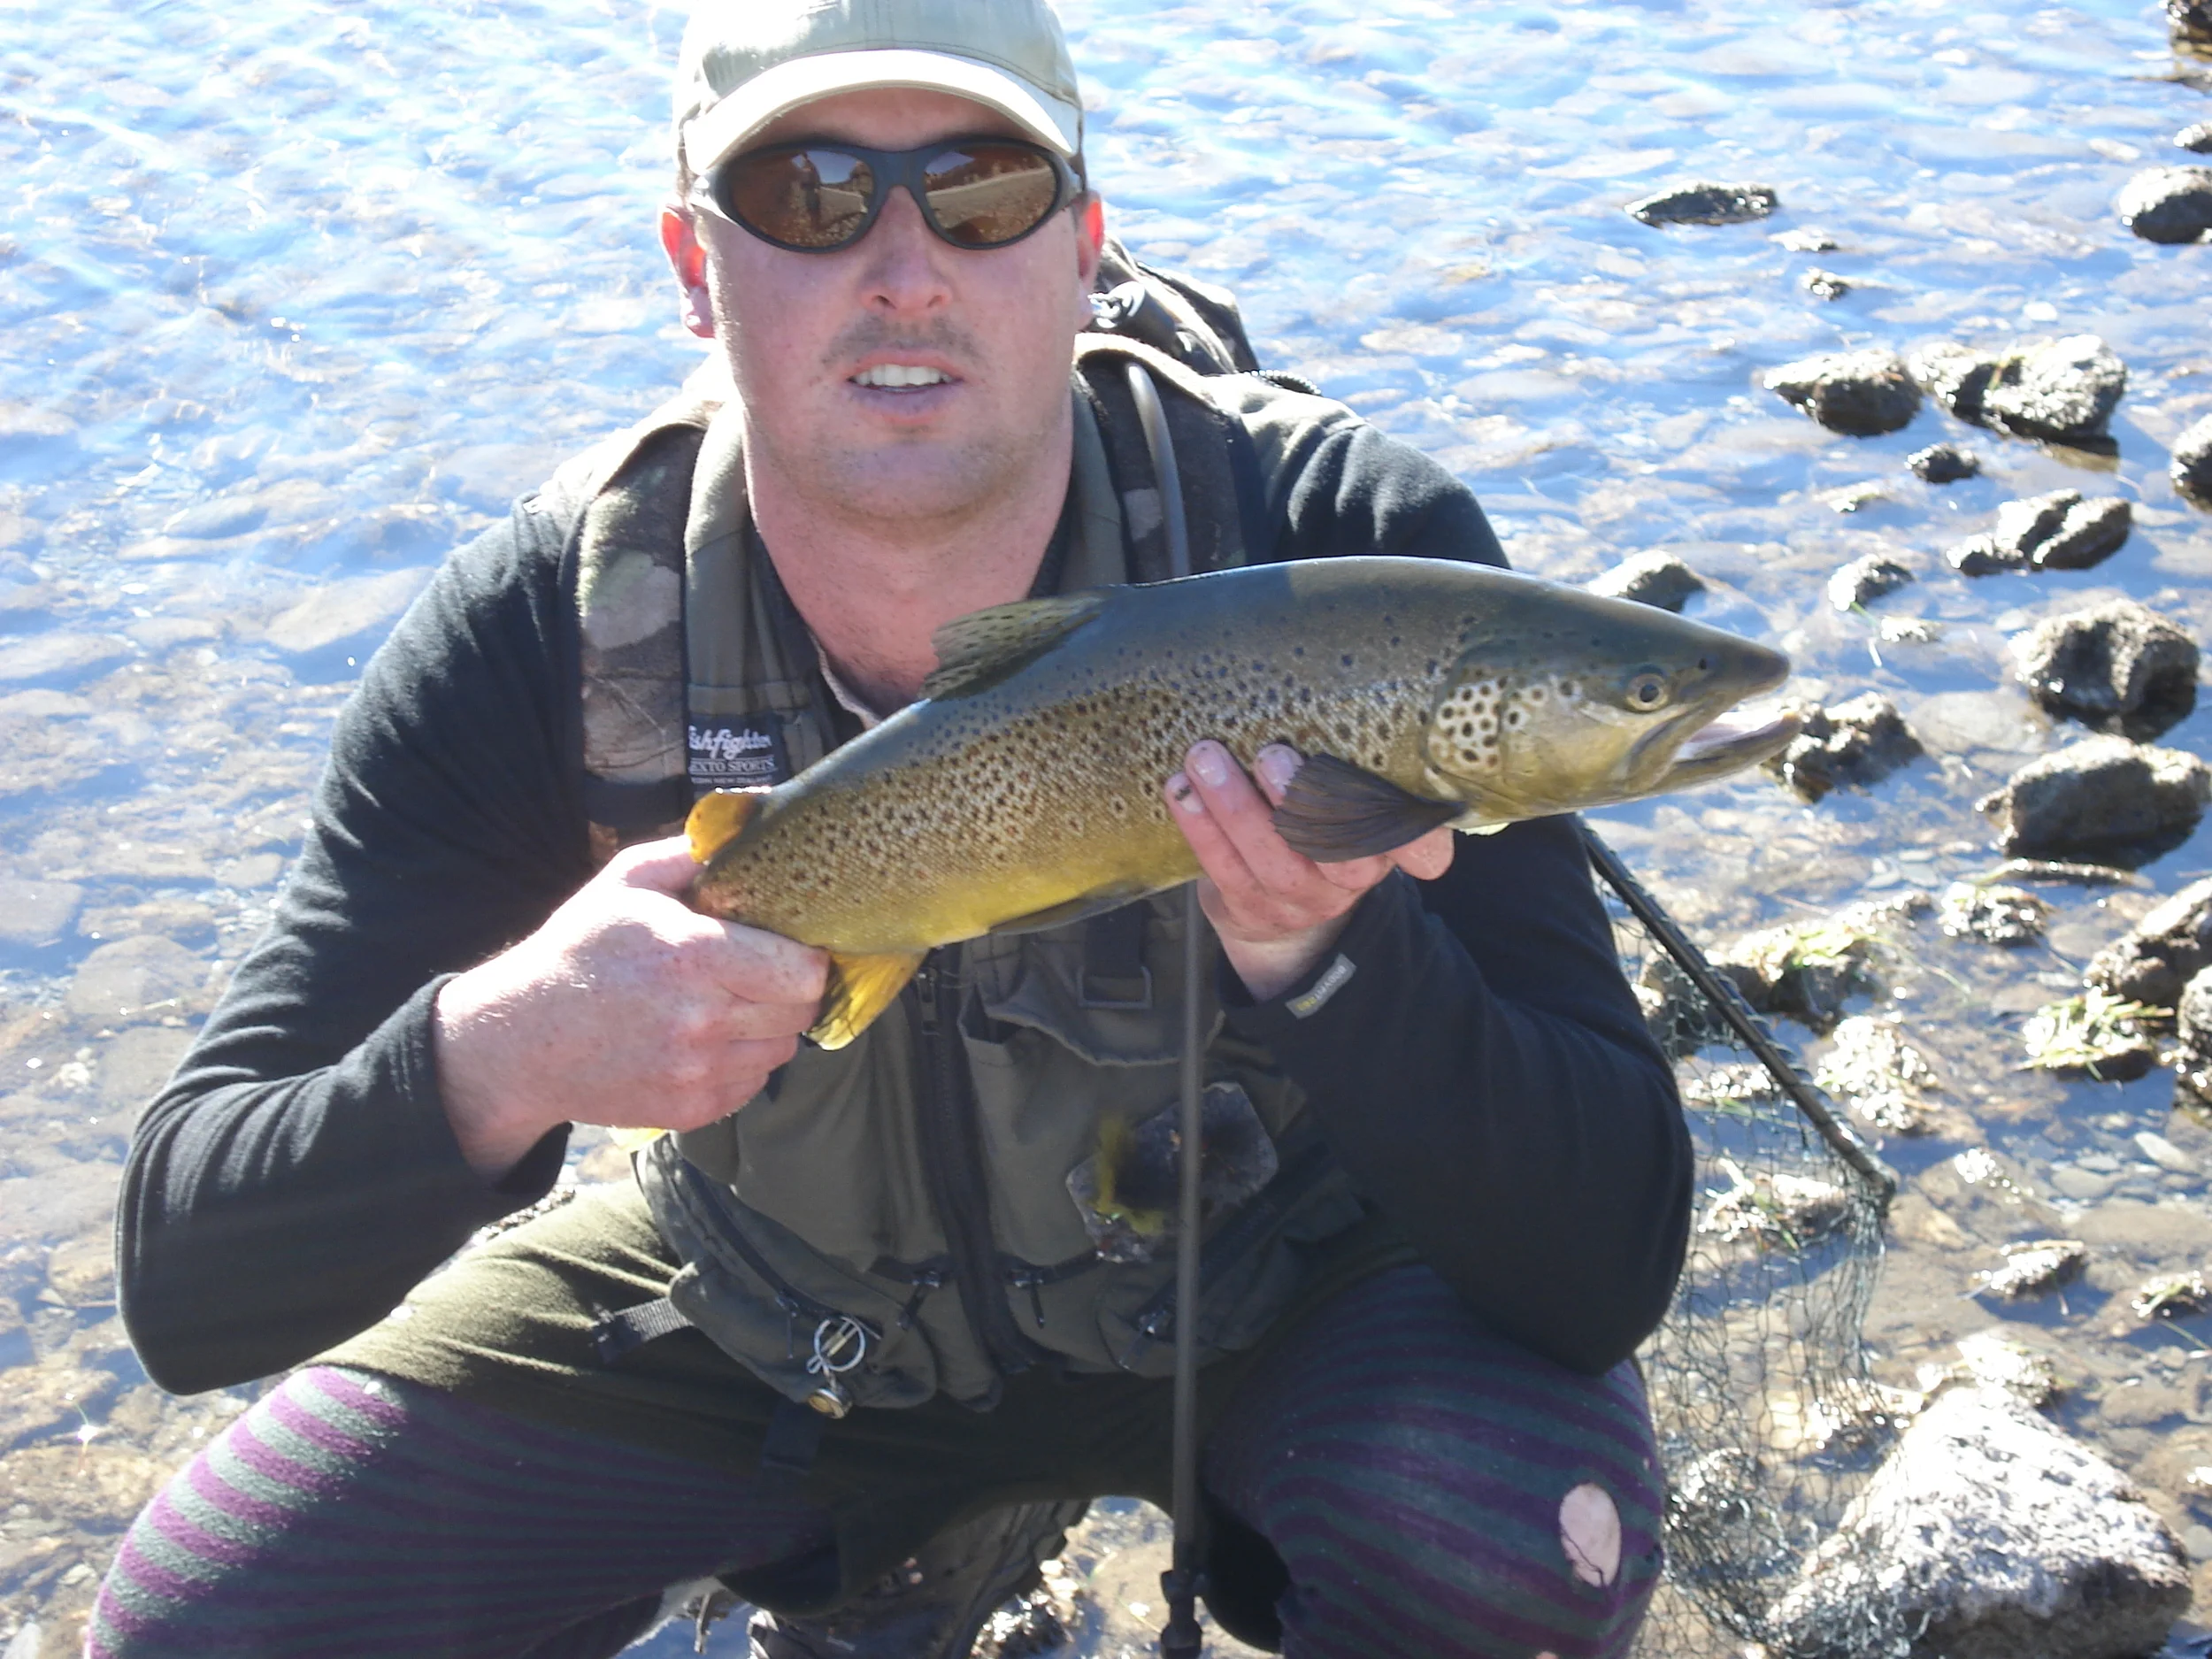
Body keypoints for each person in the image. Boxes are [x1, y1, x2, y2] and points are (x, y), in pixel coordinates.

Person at [92, 1, 1693, 1655]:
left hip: (1278, 1313)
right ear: (695, 265)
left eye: (982, 188)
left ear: (1084, 249)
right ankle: (921, 1545)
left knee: (1511, 1536)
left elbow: (1602, 1260)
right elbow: (186, 1270)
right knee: (209, 1620)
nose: (906, 269)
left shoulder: (1334, 556)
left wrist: (1344, 958)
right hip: (781, 1326)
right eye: (808, 194)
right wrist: (508, 1053)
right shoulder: (554, 624)